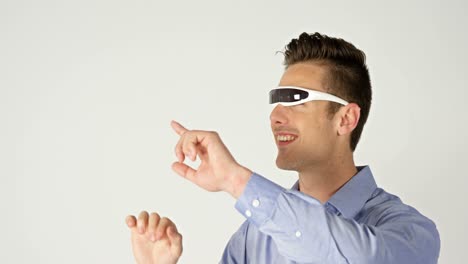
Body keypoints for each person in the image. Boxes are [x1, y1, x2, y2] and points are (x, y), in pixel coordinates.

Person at [125, 32, 440, 264]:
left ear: (346, 119)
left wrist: (236, 181)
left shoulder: (408, 232)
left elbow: (360, 259)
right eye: (276, 102)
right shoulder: (254, 237)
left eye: (297, 100)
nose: (275, 116)